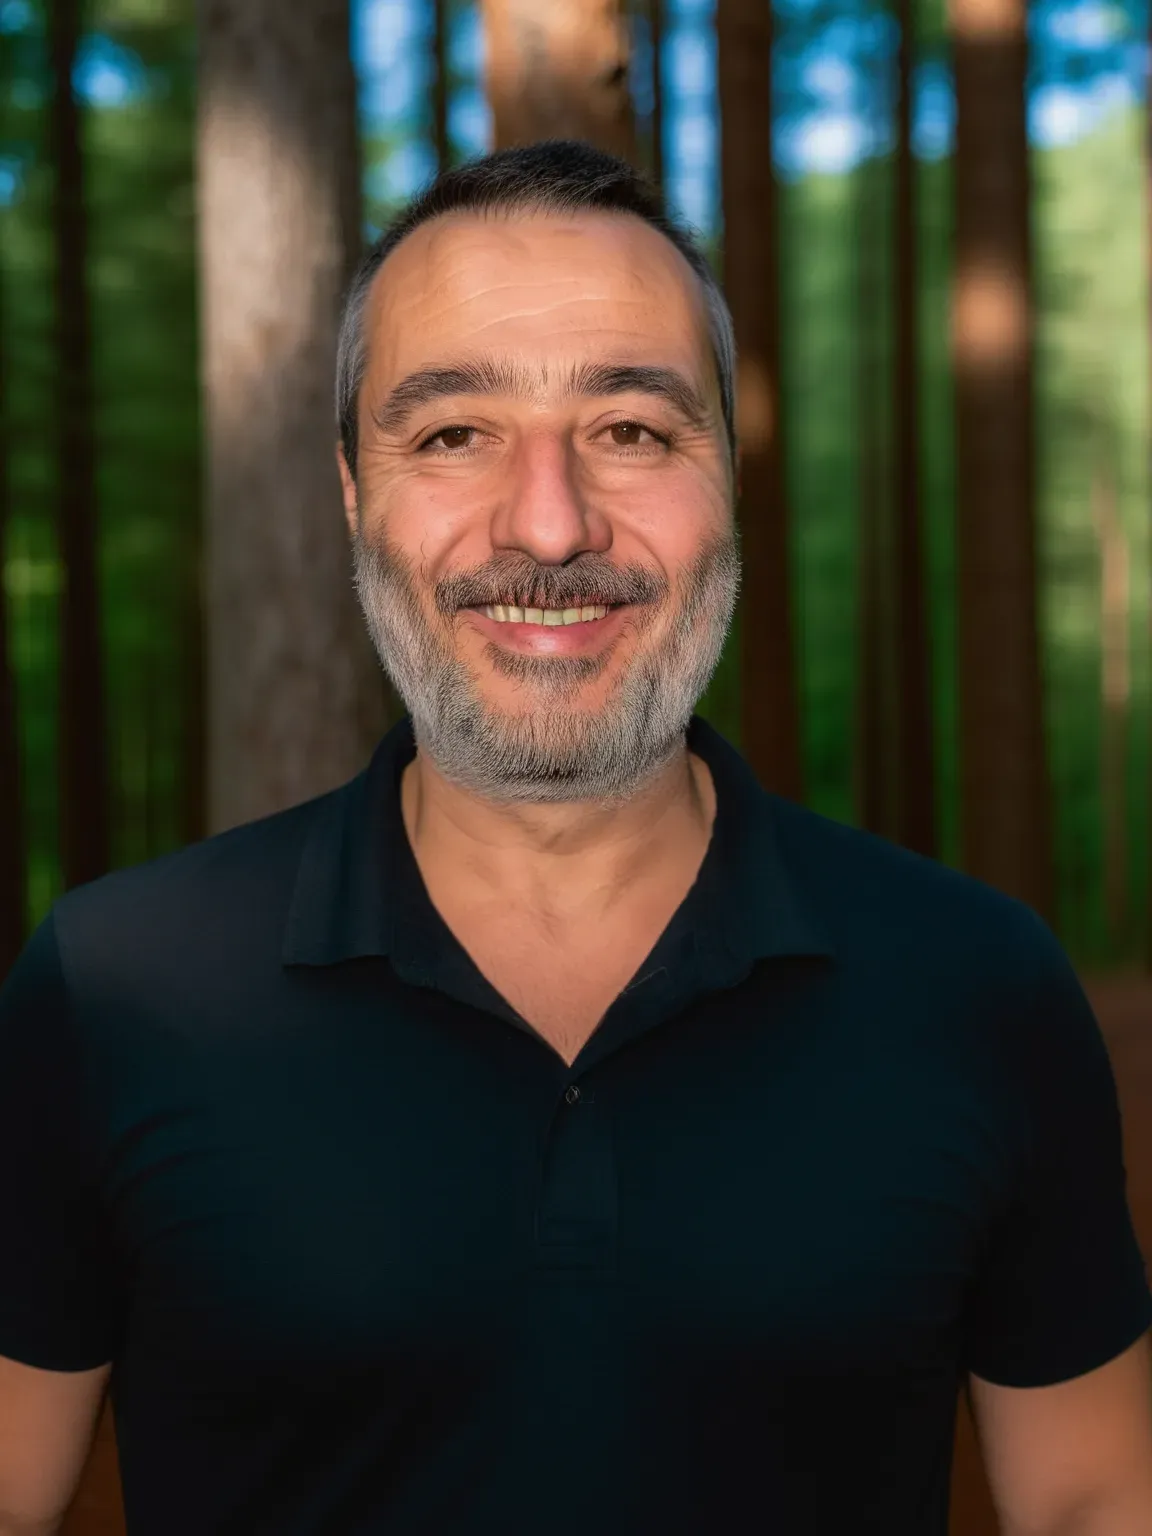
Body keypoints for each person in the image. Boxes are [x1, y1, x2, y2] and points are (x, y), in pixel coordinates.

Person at [1, 138, 1151, 1536]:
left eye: (631, 430)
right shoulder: (115, 986)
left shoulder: (980, 986)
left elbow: (1096, 1498)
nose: (549, 526)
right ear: (354, 495)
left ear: (730, 477)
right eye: (451, 434)